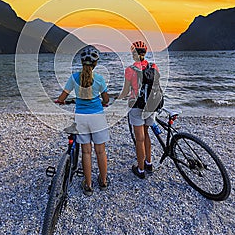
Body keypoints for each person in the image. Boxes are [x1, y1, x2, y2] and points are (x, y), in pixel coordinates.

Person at [56, 45, 110, 196]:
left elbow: (62, 97)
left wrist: (59, 101)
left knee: (86, 152)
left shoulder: (74, 78)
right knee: (100, 151)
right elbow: (106, 98)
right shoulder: (99, 79)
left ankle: (88, 185)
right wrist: (104, 102)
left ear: (81, 63)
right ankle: (104, 182)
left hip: (81, 118)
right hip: (98, 118)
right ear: (95, 64)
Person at [118, 41, 159, 179]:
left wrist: (118, 98)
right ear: (145, 53)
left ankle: (140, 170)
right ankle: (149, 162)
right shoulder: (154, 66)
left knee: (139, 139)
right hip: (151, 105)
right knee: (146, 134)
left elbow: (125, 91)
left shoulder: (130, 70)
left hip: (136, 106)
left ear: (133, 53)